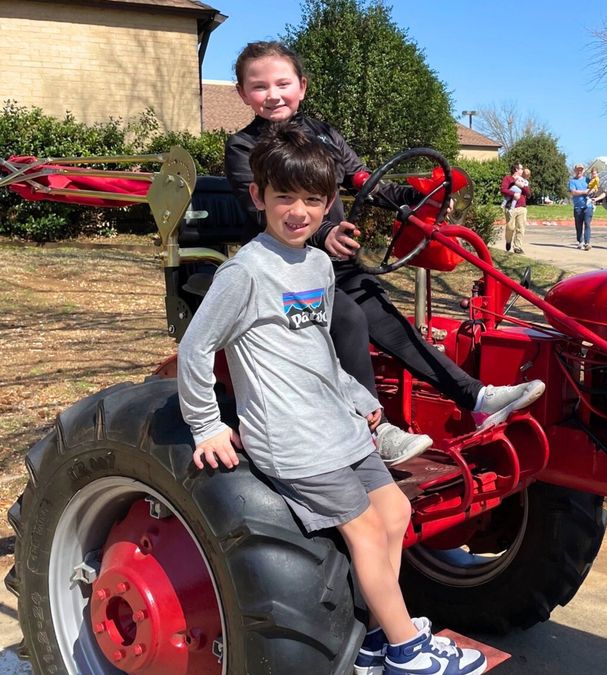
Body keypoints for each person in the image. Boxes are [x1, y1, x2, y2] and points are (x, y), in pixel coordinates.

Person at [180, 124, 487, 675]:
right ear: (258, 196)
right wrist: (206, 425)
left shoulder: (319, 266)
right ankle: (407, 649)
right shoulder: (244, 273)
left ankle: (373, 636)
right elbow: (196, 349)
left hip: (334, 423)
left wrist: (352, 393)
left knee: (393, 511)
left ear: (329, 204)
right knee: (366, 529)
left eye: (313, 201)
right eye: (285, 198)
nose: (299, 212)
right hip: (292, 435)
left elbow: (319, 343)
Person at [224, 41, 545, 468]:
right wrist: (322, 233)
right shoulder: (244, 148)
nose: (273, 94)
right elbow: (264, 212)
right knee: (351, 318)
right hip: (281, 270)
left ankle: (476, 397)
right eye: (259, 86)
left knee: (389, 319)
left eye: (283, 83)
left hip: (333, 263)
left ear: (301, 86)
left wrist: (415, 196)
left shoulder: (322, 134)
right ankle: (371, 429)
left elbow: (364, 180)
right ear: (243, 94)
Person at [500, 162, 531, 254]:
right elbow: (503, 190)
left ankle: (517, 247)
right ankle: (508, 241)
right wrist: (514, 194)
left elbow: (528, 194)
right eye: (521, 169)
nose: (522, 170)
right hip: (511, 207)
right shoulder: (508, 178)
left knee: (521, 228)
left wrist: (522, 186)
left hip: (522, 207)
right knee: (510, 227)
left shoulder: (524, 181)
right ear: (516, 169)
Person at [568, 163, 593, 250]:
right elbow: (573, 192)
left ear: (583, 170)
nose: (579, 171)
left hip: (588, 206)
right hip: (577, 207)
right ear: (575, 170)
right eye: (578, 169)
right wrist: (584, 192)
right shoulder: (572, 181)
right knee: (578, 225)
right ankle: (580, 241)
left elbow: (593, 189)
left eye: (581, 170)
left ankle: (587, 242)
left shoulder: (588, 180)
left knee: (587, 224)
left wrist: (591, 191)